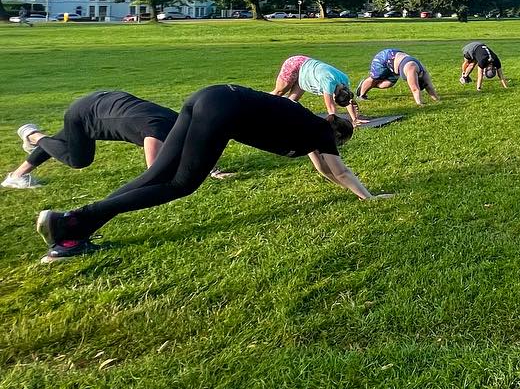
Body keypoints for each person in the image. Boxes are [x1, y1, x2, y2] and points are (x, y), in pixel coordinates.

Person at [33, 84, 389, 261]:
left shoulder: (311, 128)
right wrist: (369, 196)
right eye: (340, 144)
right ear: (338, 134)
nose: (336, 149)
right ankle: (75, 220)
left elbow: (325, 169)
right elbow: (338, 171)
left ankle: (72, 231)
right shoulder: (323, 132)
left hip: (209, 97)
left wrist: (346, 186)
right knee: (180, 184)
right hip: (223, 110)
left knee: (158, 175)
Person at [6, 91, 178, 189]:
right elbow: (155, 174)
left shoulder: (177, 120)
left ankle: (17, 175)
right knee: (78, 160)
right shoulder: (156, 132)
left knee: (64, 140)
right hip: (85, 115)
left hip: (103, 103)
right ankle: (34, 136)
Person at [272, 55, 369, 125]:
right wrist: (334, 126)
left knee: (291, 102)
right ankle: (262, 103)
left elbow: (348, 101)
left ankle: (278, 118)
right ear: (335, 96)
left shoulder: (344, 80)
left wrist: (354, 119)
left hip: (305, 74)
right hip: (295, 64)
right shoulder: (328, 83)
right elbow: (331, 108)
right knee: (278, 92)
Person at [357, 49, 440, 105]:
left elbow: (429, 86)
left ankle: (367, 85)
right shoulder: (411, 70)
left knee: (388, 84)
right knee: (376, 77)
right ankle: (362, 95)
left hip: (395, 64)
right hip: (385, 57)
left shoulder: (424, 73)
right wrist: (420, 104)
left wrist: (437, 100)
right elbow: (415, 89)